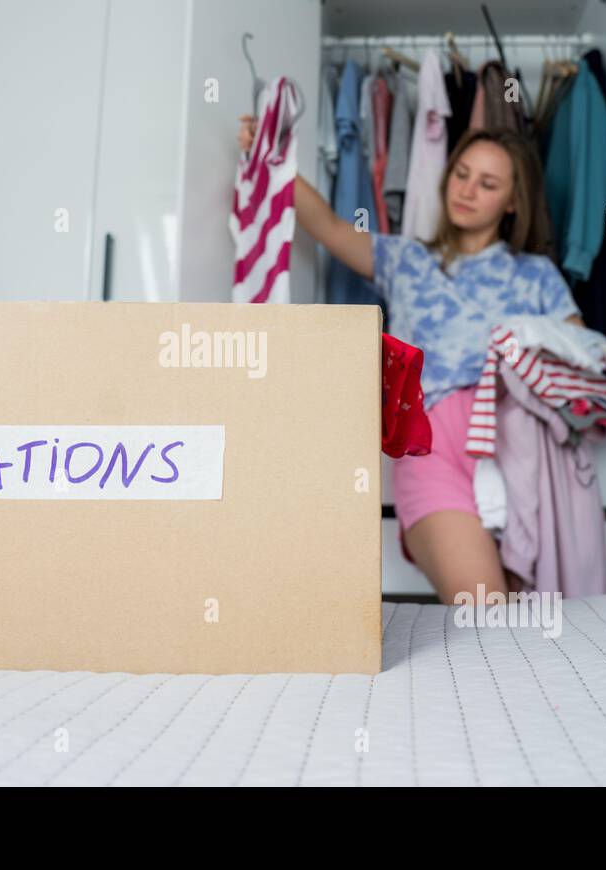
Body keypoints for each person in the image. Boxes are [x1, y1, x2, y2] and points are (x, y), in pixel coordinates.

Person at [238, 119, 584, 603]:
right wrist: (273, 158)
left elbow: (584, 362)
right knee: (484, 609)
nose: (467, 191)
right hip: (430, 448)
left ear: (512, 202)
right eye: (461, 174)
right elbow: (332, 228)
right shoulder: (405, 260)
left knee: (534, 616)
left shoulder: (538, 275)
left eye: (487, 184)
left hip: (519, 449)